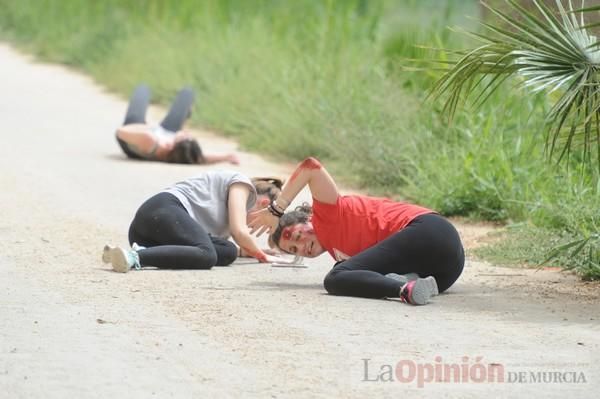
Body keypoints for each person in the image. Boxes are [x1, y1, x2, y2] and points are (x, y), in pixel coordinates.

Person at [248, 157, 465, 305]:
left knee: (336, 277)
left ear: (308, 218)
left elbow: (310, 166)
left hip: (429, 231)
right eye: (295, 249)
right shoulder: (339, 253)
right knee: (346, 271)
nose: (302, 248)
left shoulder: (328, 213)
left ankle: (403, 289)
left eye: (297, 236)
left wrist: (277, 209)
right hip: (444, 273)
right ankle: (412, 283)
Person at [103, 170, 291, 272]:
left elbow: (228, 240)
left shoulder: (222, 220)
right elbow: (239, 231)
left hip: (154, 235)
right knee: (207, 254)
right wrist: (262, 255)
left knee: (227, 251)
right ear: (265, 203)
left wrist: (246, 251)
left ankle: (144, 252)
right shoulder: (242, 186)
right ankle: (134, 258)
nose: (253, 226)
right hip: (163, 209)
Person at [116, 85, 239, 165]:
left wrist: (149, 128)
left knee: (142, 90)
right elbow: (201, 158)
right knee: (188, 93)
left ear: (171, 145)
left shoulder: (149, 140)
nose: (186, 132)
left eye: (183, 136)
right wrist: (226, 157)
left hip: (135, 131)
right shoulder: (181, 153)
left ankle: (144, 88)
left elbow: (120, 131)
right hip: (164, 132)